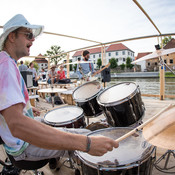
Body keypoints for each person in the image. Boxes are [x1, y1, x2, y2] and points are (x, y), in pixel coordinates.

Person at [0, 14, 119, 164]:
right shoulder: (5, 66)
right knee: (86, 137)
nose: (33, 39)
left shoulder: (6, 62)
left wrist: (26, 109)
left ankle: (56, 159)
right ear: (12, 36)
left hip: (14, 141)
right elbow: (17, 125)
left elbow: (9, 111)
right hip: (22, 147)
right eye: (29, 35)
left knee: (57, 124)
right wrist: (86, 144)